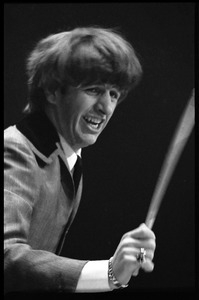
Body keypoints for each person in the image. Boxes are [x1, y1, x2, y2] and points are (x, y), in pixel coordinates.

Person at [4, 26, 156, 294]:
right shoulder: (15, 148)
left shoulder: (68, 157)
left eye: (114, 94)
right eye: (94, 89)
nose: (106, 108)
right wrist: (109, 272)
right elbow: (6, 255)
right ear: (53, 90)